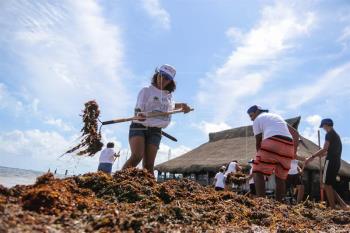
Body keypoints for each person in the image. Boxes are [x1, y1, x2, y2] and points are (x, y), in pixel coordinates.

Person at [122, 64, 191, 174]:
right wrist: (139, 115)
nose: (163, 79)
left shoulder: (168, 96)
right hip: (140, 127)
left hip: (156, 131)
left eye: (167, 78)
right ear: (157, 75)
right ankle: (117, 182)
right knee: (137, 156)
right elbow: (138, 108)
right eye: (161, 75)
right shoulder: (146, 91)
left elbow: (171, 106)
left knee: (149, 165)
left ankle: (149, 189)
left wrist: (183, 105)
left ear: (171, 81)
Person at [247, 105, 299, 202]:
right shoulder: (277, 117)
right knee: (280, 178)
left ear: (257, 111)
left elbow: (258, 142)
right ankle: (279, 205)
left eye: (251, 115)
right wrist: (294, 152)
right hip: (289, 145)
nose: (251, 119)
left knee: (257, 171)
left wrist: (260, 162)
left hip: (272, 141)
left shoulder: (257, 120)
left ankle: (262, 204)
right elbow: (295, 134)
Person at [303, 118, 349, 210]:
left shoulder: (329, 134)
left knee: (326, 185)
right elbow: (329, 151)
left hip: (330, 161)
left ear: (326, 125)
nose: (323, 128)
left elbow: (325, 148)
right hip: (336, 162)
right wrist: (323, 154)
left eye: (323, 126)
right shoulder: (336, 136)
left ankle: (332, 208)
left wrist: (312, 157)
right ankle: (343, 205)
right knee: (329, 185)